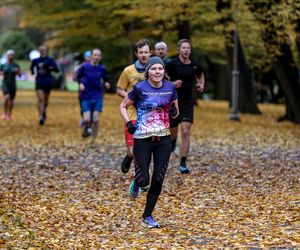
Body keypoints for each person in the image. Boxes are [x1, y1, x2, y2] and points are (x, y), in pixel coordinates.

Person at [119, 56, 179, 228]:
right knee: (144, 179)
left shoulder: (170, 88)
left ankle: (147, 216)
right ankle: (137, 181)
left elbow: (175, 113)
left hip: (163, 139)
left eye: (160, 69)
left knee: (158, 179)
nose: (157, 72)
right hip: (142, 138)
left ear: (164, 71)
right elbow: (123, 106)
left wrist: (174, 110)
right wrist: (128, 123)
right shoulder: (140, 88)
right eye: (153, 69)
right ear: (148, 71)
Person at [165, 39, 205, 174]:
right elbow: (160, 77)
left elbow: (200, 75)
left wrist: (201, 84)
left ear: (190, 50)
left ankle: (183, 163)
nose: (186, 50)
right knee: (173, 131)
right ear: (179, 50)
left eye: (188, 48)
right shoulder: (171, 64)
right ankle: (173, 141)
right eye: (183, 48)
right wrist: (172, 84)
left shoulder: (194, 65)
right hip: (173, 101)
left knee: (186, 130)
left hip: (188, 102)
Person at [117, 39, 152, 173]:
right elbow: (119, 90)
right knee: (132, 151)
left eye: (146, 52)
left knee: (144, 149)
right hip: (131, 113)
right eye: (141, 52)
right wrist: (131, 98)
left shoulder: (154, 70)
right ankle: (129, 156)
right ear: (136, 54)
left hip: (149, 115)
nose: (143, 55)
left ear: (150, 53)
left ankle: (141, 176)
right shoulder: (128, 71)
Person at [75, 48, 110, 141]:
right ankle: (86, 129)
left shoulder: (102, 68)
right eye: (95, 55)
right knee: (86, 119)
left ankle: (93, 140)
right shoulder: (84, 67)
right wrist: (81, 83)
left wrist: (107, 83)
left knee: (96, 119)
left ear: (101, 57)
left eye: (98, 55)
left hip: (98, 95)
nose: (96, 57)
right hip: (85, 95)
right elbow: (77, 77)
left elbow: (106, 78)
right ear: (91, 56)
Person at [30, 45, 59, 125]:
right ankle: (41, 117)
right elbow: (32, 68)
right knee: (41, 100)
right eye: (41, 50)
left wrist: (49, 68)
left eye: (44, 49)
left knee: (45, 101)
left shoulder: (50, 60)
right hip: (39, 82)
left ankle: (43, 111)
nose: (42, 51)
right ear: (39, 51)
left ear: (46, 50)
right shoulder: (36, 60)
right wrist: (32, 71)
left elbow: (57, 69)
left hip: (48, 82)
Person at [0, 50, 21, 121]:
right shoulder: (3, 65)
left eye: (12, 55)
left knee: (11, 100)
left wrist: (17, 72)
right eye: (9, 55)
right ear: (7, 56)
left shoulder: (16, 65)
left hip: (13, 84)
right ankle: (5, 113)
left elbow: (19, 74)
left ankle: (9, 114)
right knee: (7, 98)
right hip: (5, 84)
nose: (10, 56)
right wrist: (2, 73)